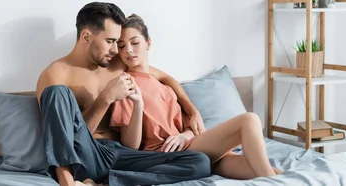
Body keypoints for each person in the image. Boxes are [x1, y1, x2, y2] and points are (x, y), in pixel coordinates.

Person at [35, 2, 211, 186]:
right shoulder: (56, 75)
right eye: (110, 41)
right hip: (86, 156)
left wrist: (192, 110)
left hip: (121, 154)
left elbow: (165, 77)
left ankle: (108, 183)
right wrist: (106, 98)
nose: (115, 49)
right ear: (86, 36)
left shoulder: (115, 62)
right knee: (57, 92)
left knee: (199, 162)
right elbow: (63, 140)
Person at [110, 14, 283, 180]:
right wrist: (138, 105)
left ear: (148, 43)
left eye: (135, 42)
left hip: (193, 145)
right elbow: (130, 146)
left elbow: (190, 126)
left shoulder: (162, 83)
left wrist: (184, 135)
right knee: (249, 120)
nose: (129, 50)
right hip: (172, 153)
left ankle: (270, 179)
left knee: (274, 172)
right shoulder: (126, 85)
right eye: (122, 45)